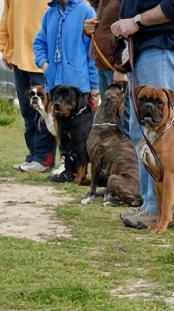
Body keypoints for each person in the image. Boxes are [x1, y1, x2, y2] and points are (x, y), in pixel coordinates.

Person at [111, 0, 174, 229]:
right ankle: (151, 205)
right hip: (144, 46)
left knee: (163, 135)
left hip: (162, 45)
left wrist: (136, 20)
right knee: (142, 132)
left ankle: (160, 211)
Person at [33, 0, 99, 183]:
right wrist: (45, 64)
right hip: (55, 84)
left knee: (81, 135)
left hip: (79, 88)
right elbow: (39, 43)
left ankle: (83, 173)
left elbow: (92, 50)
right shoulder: (50, 13)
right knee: (62, 132)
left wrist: (94, 86)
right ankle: (68, 170)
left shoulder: (86, 10)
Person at [0, 0, 56, 173]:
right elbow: (5, 18)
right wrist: (4, 48)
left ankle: (44, 158)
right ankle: (33, 155)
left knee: (42, 112)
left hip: (41, 60)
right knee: (27, 111)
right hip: (17, 56)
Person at [83, 0, 131, 138]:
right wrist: (89, 29)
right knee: (110, 120)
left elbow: (130, 29)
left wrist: (122, 66)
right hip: (103, 66)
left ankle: (130, 159)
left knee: (123, 121)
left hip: (116, 67)